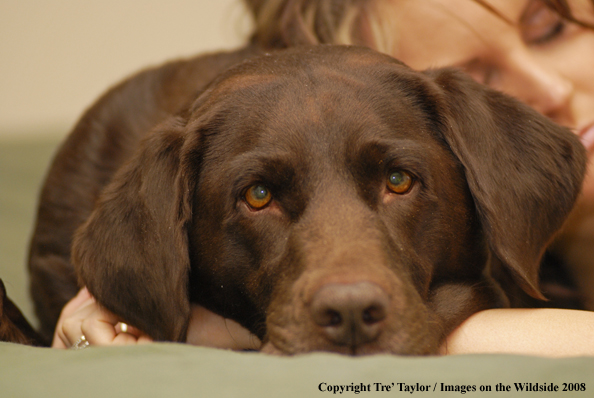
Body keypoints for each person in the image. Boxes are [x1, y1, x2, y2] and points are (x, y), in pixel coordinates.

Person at [53, 0, 594, 355]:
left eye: (552, 29)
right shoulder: (175, 175)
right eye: (477, 74)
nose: (549, 90)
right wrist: (147, 302)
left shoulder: (480, 160)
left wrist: (464, 333)